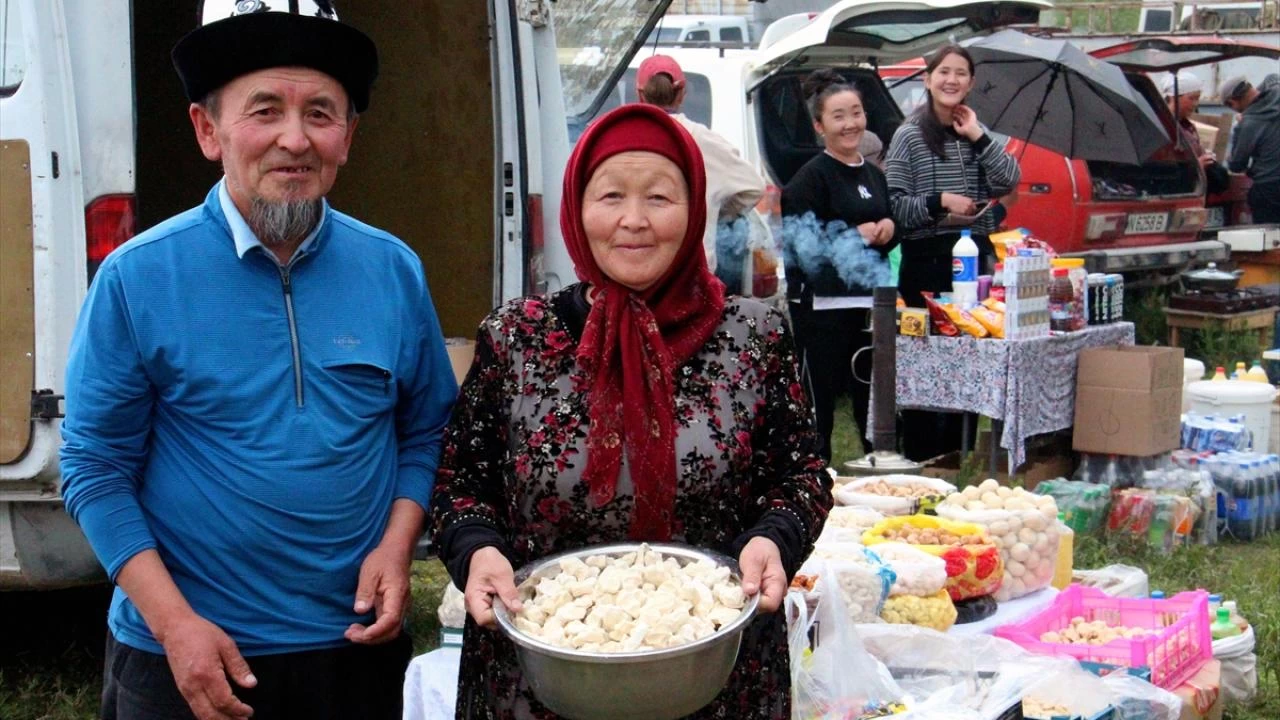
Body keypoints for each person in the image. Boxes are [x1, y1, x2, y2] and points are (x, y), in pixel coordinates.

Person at [58, 4, 458, 718]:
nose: (294, 139)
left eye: (321, 113)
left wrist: (399, 544)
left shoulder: (393, 271)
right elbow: (93, 467)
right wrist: (175, 625)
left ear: (349, 137)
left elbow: (425, 429)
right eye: (264, 110)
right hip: (186, 653)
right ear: (208, 131)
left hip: (354, 648)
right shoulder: (137, 278)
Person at [430, 103, 832, 719]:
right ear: (577, 207)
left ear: (695, 207)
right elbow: (461, 482)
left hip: (718, 673)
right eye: (611, 195)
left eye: (661, 198)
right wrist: (476, 548)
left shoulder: (752, 335)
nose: (634, 221)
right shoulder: (518, 338)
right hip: (542, 674)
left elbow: (800, 474)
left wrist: (775, 538)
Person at [884, 45, 1020, 462]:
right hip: (926, 259)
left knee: (969, 357)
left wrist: (978, 137)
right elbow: (895, 206)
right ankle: (924, 458)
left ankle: (956, 457)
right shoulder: (908, 135)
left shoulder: (976, 133)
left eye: (961, 74)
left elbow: (1010, 179)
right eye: (944, 72)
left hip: (974, 259)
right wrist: (942, 200)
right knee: (928, 361)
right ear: (927, 79)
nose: (952, 81)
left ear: (971, 83)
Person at [781, 69, 896, 465]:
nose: (850, 124)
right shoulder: (806, 182)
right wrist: (854, 235)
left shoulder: (873, 175)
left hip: (869, 309)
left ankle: (879, 474)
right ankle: (813, 481)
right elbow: (804, 255)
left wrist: (889, 227)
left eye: (857, 113)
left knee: (873, 404)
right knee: (819, 410)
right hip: (822, 313)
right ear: (819, 125)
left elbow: (887, 229)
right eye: (838, 116)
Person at [635, 54, 766, 274]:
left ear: (639, 94)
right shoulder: (703, 140)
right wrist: (714, 209)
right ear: (682, 94)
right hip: (692, 277)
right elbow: (753, 187)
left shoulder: (623, 136)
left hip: (634, 269)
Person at [1219, 73, 1280, 224]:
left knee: (1270, 241)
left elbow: (1237, 165)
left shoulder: (1248, 124)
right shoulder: (1277, 95)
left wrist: (1238, 127)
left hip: (1269, 188)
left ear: (1232, 102)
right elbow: (1272, 76)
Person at [1161, 71, 1231, 195]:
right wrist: (1196, 166)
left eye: (1197, 98)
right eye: (1191, 98)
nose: (1195, 104)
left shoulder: (1188, 127)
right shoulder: (1163, 126)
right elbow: (1161, 167)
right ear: (1173, 97)